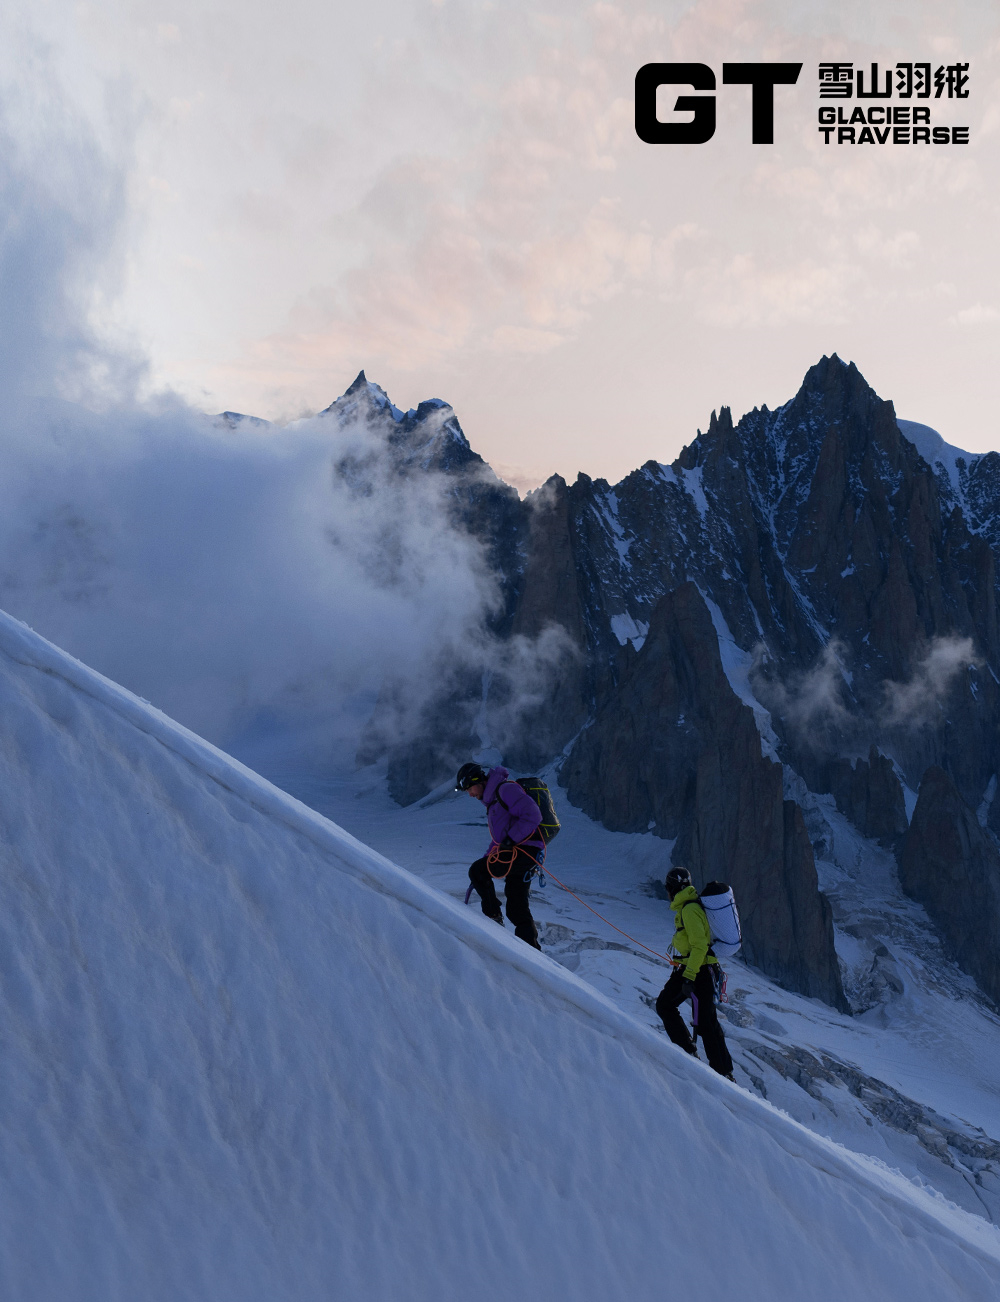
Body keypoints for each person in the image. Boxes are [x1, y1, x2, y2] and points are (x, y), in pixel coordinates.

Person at [655, 866, 734, 1080]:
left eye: (668, 887)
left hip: (697, 970)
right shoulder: (689, 906)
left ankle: (693, 1056)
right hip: (697, 968)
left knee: (669, 1007)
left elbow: (700, 945)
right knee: (707, 1021)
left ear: (672, 888)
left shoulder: (689, 910)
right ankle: (723, 1071)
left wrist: (689, 976)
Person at [456, 762, 543, 950]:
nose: (470, 794)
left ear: (478, 781)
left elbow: (533, 815)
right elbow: (498, 842)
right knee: (516, 908)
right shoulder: (494, 801)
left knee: (478, 871)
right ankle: (532, 953)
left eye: (469, 788)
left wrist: (510, 840)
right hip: (522, 852)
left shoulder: (505, 790)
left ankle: (493, 920)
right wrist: (487, 858)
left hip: (523, 851)